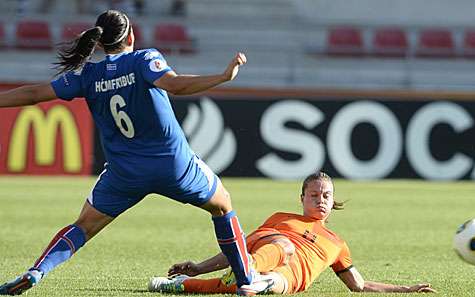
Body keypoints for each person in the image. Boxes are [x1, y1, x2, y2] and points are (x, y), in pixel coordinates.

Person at [0, 9, 267, 296]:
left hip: (124, 172)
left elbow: (32, 94)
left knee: (84, 227)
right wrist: (223, 76)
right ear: (131, 36)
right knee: (223, 205)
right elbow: (176, 85)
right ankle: (246, 282)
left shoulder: (88, 74)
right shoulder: (144, 60)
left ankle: (37, 271)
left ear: (99, 43)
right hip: (173, 166)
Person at [149, 172, 437, 295]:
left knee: (263, 284)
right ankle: (250, 274)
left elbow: (359, 286)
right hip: (268, 253)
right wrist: (200, 266)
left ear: (333, 200)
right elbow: (239, 247)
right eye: (314, 194)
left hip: (285, 280)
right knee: (283, 247)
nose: (320, 199)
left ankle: (176, 285)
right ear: (302, 198)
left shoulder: (337, 244)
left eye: (326, 195)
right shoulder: (281, 219)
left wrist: (406, 290)